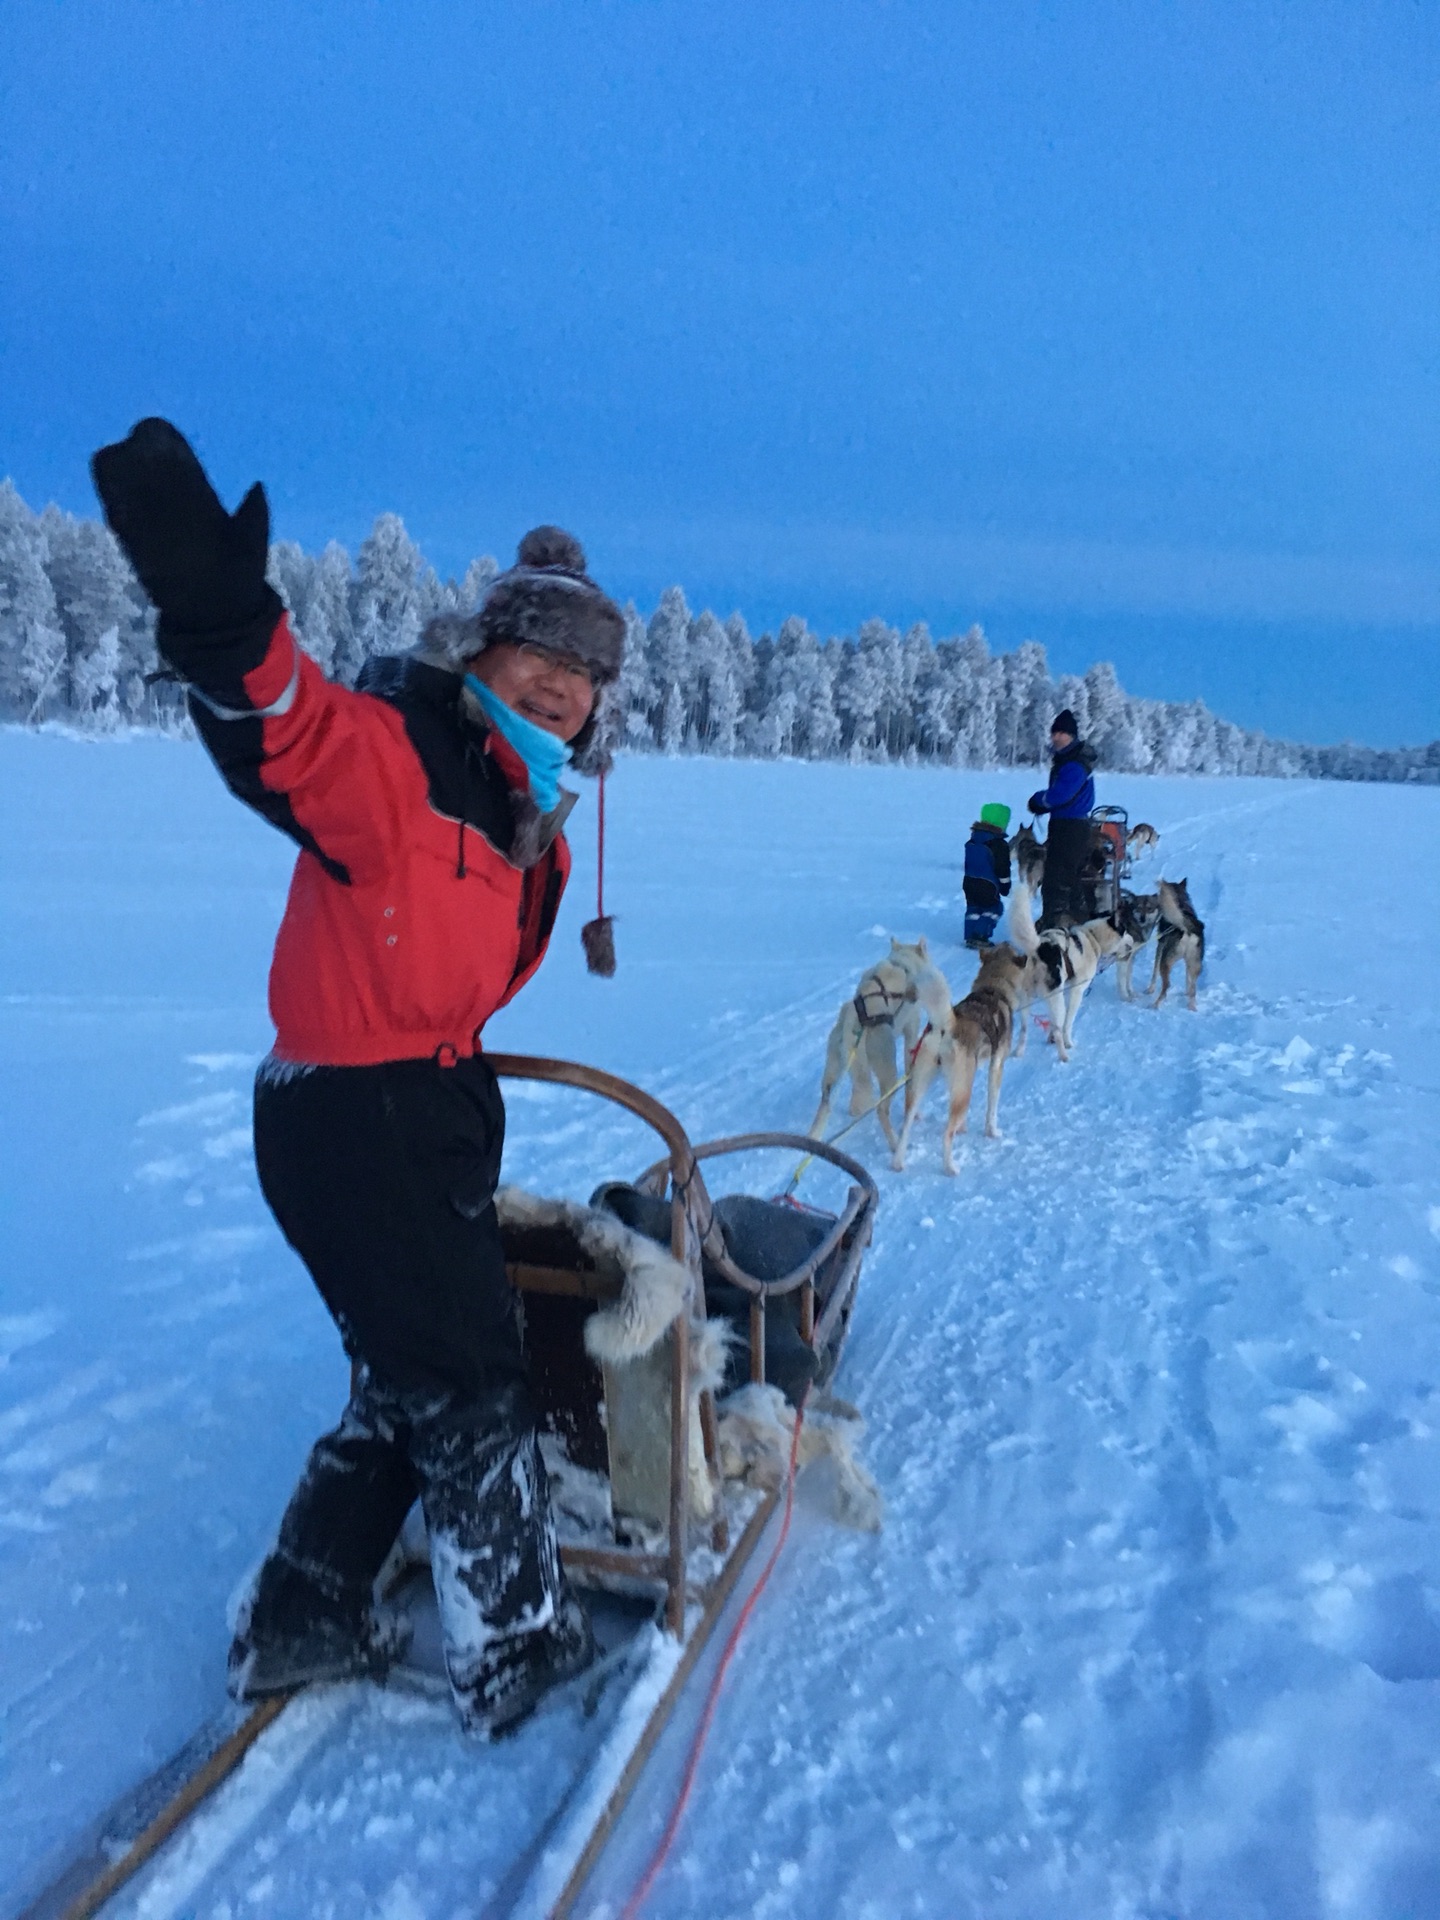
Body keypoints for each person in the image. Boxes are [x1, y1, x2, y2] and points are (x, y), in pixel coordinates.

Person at [90, 419, 626, 1736]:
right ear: (479, 655)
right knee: (473, 1378)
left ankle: (301, 1616)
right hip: (356, 1112)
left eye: (582, 673)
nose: (559, 686)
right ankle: (512, 1644)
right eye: (537, 656)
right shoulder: (403, 757)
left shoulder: (524, 815)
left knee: (407, 1373)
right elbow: (290, 732)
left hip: (414, 1108)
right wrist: (226, 625)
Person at [1028, 708, 1098, 930]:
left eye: (1061, 733)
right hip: (1067, 825)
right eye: (1054, 733)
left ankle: (1052, 924)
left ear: (1072, 736)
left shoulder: (1075, 763)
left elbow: (1062, 794)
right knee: (1070, 876)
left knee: (1056, 879)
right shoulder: (1069, 759)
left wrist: (1040, 800)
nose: (1056, 737)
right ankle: (1080, 921)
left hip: (1071, 826)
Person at [962, 802, 1013, 946]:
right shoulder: (999, 845)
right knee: (993, 909)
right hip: (988, 884)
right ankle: (980, 935)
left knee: (973, 908)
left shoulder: (972, 840)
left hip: (969, 882)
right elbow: (1003, 868)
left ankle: (970, 934)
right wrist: (1005, 886)